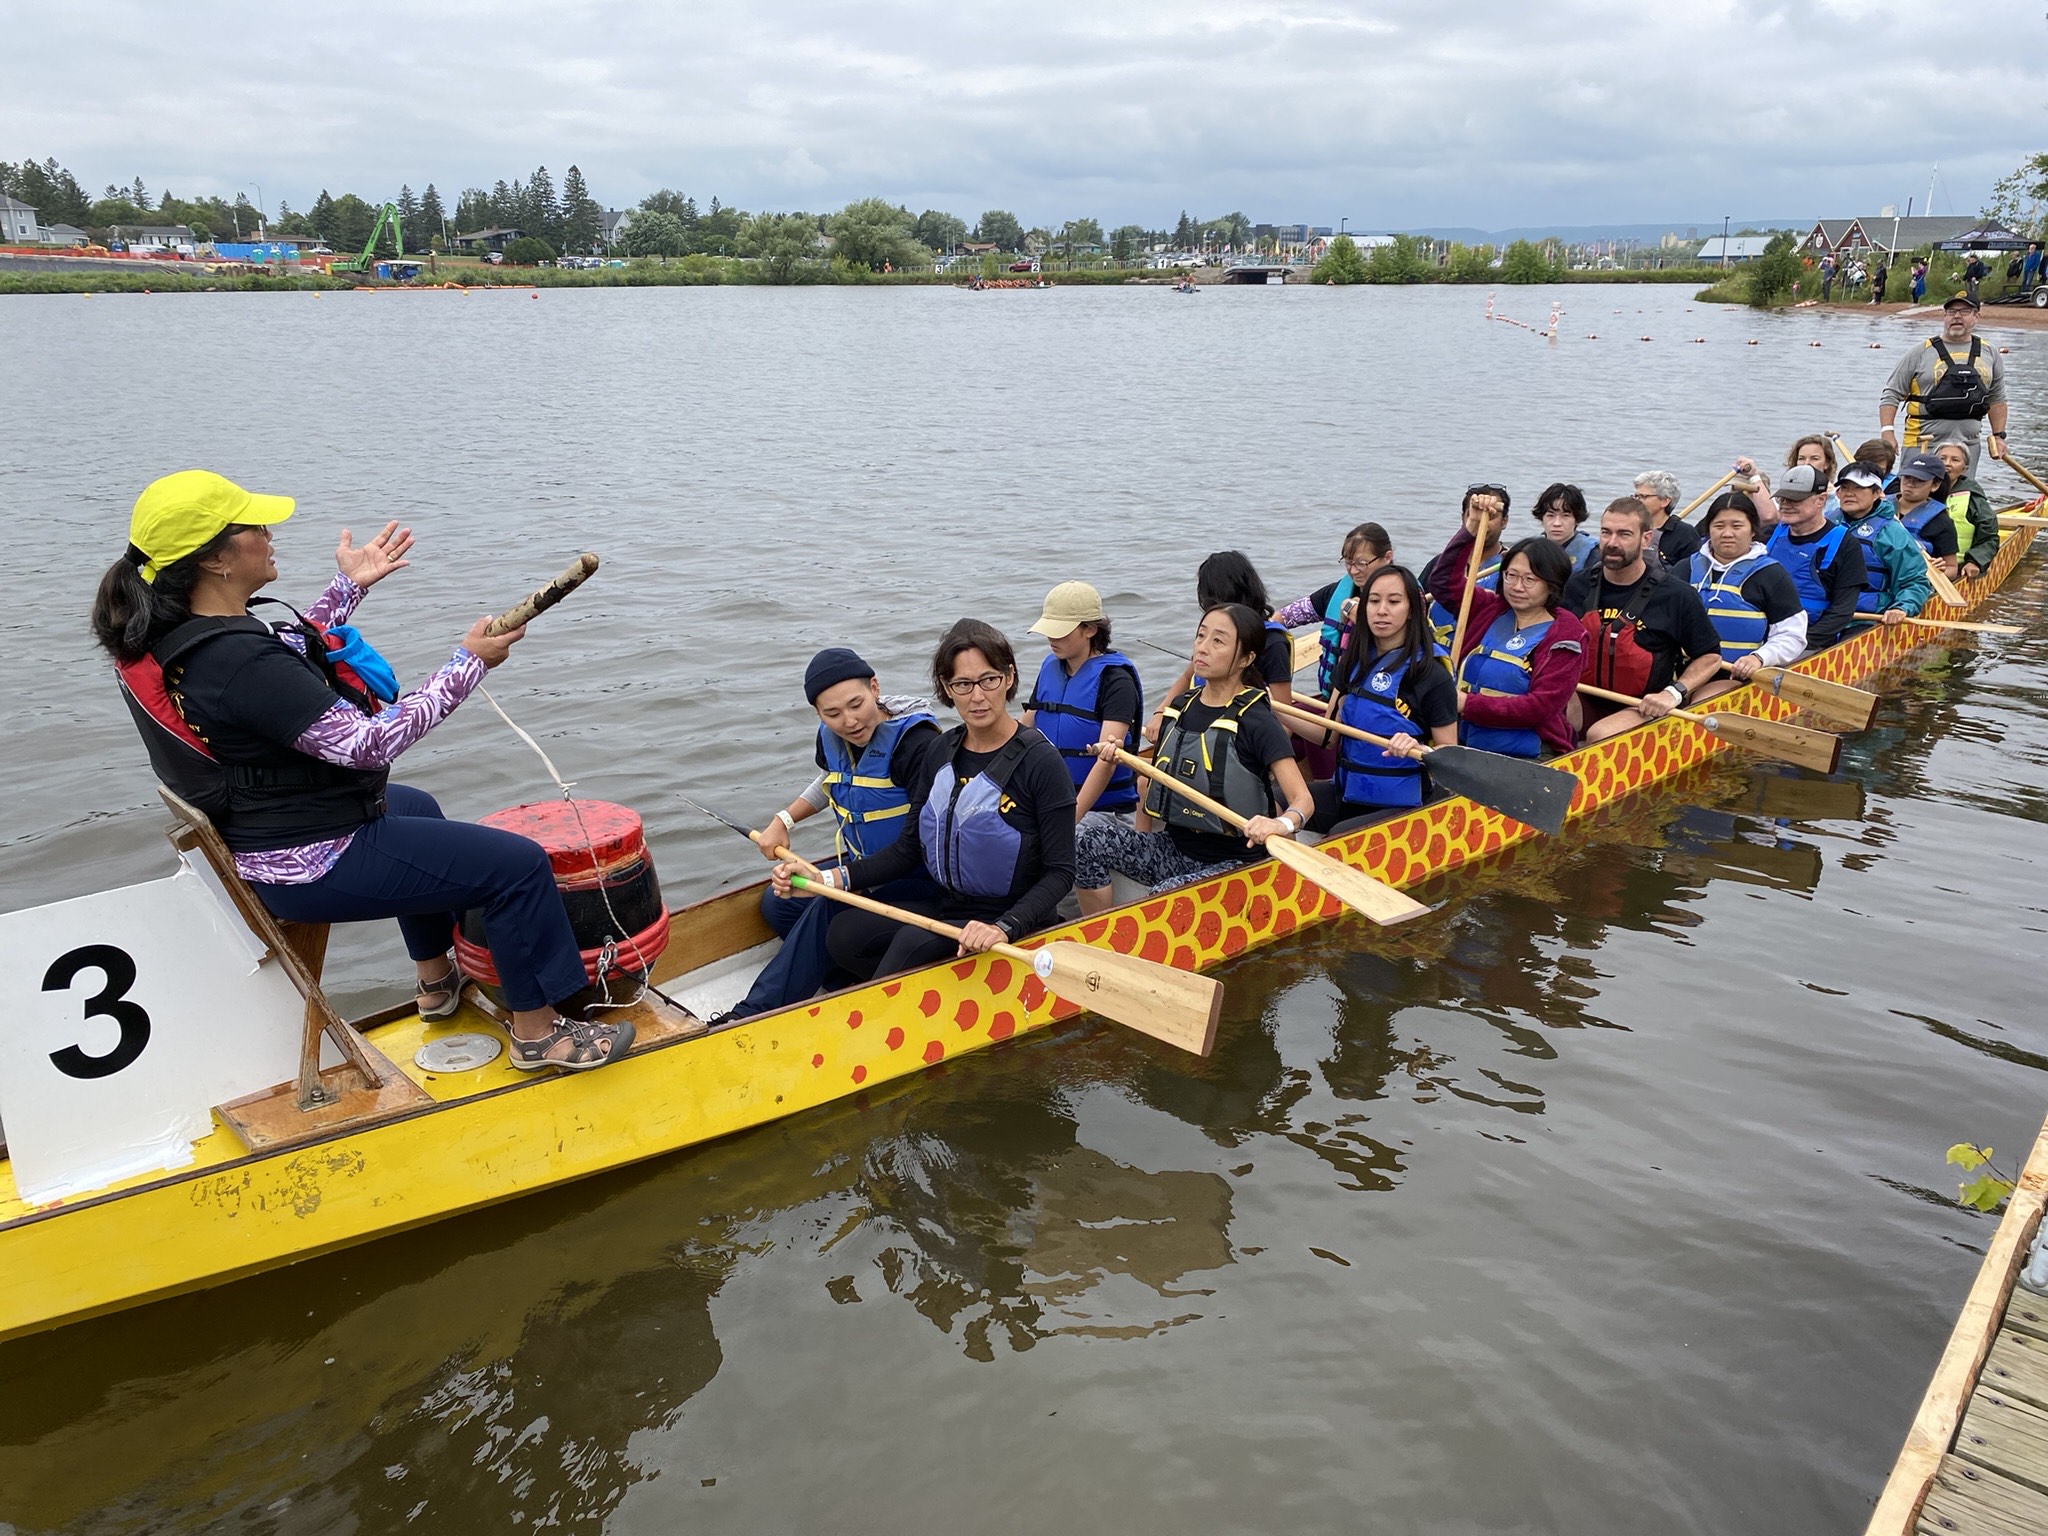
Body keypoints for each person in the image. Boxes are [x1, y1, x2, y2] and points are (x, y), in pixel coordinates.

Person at [92, 470, 633, 1071]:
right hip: (311, 858)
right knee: (516, 866)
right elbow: (368, 745)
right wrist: (468, 665)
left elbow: (290, 658)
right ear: (217, 558)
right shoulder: (239, 663)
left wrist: (348, 587)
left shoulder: (181, 637)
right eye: (253, 527)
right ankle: (542, 1034)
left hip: (270, 834)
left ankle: (435, 983)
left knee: (416, 806)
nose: (270, 533)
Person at [777, 619, 1076, 982]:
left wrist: (1005, 926)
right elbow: (907, 850)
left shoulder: (1042, 762)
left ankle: (892, 997)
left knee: (909, 944)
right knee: (844, 935)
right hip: (951, 905)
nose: (977, 696)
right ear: (947, 689)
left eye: (988, 680)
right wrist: (824, 879)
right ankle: (937, 988)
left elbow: (1061, 872)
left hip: (1010, 917)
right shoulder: (941, 751)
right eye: (962, 685)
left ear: (1009, 678)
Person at [724, 649, 947, 1022]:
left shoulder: (917, 745)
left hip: (922, 881)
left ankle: (753, 1014)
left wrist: (836, 880)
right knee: (775, 902)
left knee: (827, 905)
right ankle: (843, 979)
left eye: (856, 705)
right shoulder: (831, 737)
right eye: (833, 714)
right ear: (818, 715)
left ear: (875, 688)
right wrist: (783, 820)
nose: (849, 721)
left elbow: (915, 848)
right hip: (866, 871)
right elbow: (833, 781)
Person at [1071, 605, 1313, 914]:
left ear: (1246, 659)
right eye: (1201, 635)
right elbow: (1158, 779)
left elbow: (1302, 800)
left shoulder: (1256, 719)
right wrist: (1117, 757)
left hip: (1236, 861)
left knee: (1164, 895)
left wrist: (1279, 824)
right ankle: (1095, 931)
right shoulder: (1181, 706)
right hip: (1174, 849)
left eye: (1218, 641)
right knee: (1084, 843)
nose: (1202, 647)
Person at [1307, 564, 1460, 829]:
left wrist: (1419, 748)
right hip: (1348, 790)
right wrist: (1273, 710)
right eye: (1374, 601)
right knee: (1273, 798)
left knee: (1338, 833)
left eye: (1394, 601)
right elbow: (1328, 736)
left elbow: (1450, 757)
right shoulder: (1353, 661)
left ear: (1412, 609)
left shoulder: (1432, 675)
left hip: (1404, 803)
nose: (1381, 610)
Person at [1561, 497, 1725, 743]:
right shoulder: (1577, 585)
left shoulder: (1676, 595)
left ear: (1646, 539)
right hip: (1584, 697)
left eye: (1624, 534)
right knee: (1541, 715)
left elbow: (1711, 658)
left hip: (1644, 706)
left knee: (1599, 735)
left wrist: (1673, 694)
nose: (1612, 543)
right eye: (1606, 533)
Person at [1425, 525, 1586, 757]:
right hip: (1466, 741)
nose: (1518, 587)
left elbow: (1540, 708)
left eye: (1530, 579)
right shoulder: (1490, 609)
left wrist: (1466, 704)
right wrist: (1469, 531)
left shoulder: (1566, 637)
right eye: (1511, 575)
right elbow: (1442, 583)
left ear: (1552, 584)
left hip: (1530, 752)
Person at [1020, 581, 1143, 821]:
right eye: (1049, 629)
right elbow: (1024, 726)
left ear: (1089, 630)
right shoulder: (1050, 668)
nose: (1051, 638)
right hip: (1049, 798)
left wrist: (1068, 821)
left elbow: (1107, 759)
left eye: (1061, 631)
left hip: (1103, 813)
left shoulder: (1116, 681)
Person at [1145, 551, 1297, 743]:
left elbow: (1285, 715)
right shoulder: (1211, 636)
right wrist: (1161, 712)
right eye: (1201, 636)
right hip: (1202, 727)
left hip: (1241, 738)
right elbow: (1187, 676)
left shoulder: (1272, 643)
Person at [1684, 493, 1807, 704]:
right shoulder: (1684, 569)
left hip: (1733, 674)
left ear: (1752, 531)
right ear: (1709, 529)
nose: (1727, 533)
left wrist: (1759, 658)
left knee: (1700, 704)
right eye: (1719, 525)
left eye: (1737, 526)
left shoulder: (1772, 576)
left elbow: (1792, 635)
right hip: (1681, 671)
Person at [1880, 292, 2009, 477]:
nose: (1957, 316)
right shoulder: (1920, 352)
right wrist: (1887, 432)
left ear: (1976, 316)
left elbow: (1997, 398)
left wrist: (1998, 436)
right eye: (1951, 311)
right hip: (1923, 442)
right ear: (1945, 317)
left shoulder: (1990, 353)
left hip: (1966, 445)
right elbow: (1891, 394)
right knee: (1913, 497)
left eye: (1965, 311)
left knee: (1959, 501)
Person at [1271, 522, 1394, 701]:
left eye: (1361, 563)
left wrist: (1355, 612)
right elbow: (1286, 616)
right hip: (1335, 698)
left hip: (1378, 700)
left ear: (1387, 557)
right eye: (1348, 562)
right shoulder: (1339, 591)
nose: (1353, 571)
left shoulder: (1406, 598)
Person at [1764, 466, 1869, 649]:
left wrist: (1795, 645)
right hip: (1763, 633)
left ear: (1821, 500)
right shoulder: (1769, 535)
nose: (1786, 505)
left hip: (1810, 639)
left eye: (1795, 500)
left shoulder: (1846, 545)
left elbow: (1842, 612)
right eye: (1783, 498)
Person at [1835, 462, 1932, 628]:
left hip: (1866, 617)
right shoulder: (1825, 522)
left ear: (1877, 493)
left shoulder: (1892, 533)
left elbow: (1914, 581)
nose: (1849, 494)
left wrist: (1901, 608)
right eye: (1844, 487)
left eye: (1858, 488)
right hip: (1823, 613)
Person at [1420, 484, 1509, 649]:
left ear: (1504, 521)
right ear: (1464, 517)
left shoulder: (1511, 569)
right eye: (1474, 515)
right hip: (1434, 653)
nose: (1484, 523)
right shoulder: (1440, 564)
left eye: (1491, 516)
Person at [1934, 439, 2002, 578]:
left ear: (1964, 469)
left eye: (1955, 460)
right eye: (1942, 458)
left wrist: (1975, 561)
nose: (1947, 463)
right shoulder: (1919, 490)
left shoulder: (1973, 498)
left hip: (1957, 568)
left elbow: (1989, 537)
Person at [1892, 451, 1962, 581]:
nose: (1910, 484)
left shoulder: (1941, 522)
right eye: (1907, 478)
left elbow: (1952, 568)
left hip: (1912, 582)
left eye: (1919, 481)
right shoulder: (1879, 507)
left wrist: (1939, 571)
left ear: (1935, 485)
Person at [1632, 470, 1704, 567]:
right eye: (1636, 496)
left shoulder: (1684, 533)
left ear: (1664, 501)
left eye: (1643, 497)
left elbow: (1695, 568)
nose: (1637, 502)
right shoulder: (1629, 526)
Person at [1532, 482, 1596, 566]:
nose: (1557, 523)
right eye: (1550, 515)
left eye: (1565, 516)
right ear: (1542, 518)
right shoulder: (1531, 549)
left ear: (1576, 519)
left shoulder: (1593, 553)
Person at [1784, 435, 1842, 521]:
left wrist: (1831, 498)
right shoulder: (1783, 493)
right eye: (1801, 458)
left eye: (1814, 458)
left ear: (1827, 463)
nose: (1807, 463)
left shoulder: (1835, 498)